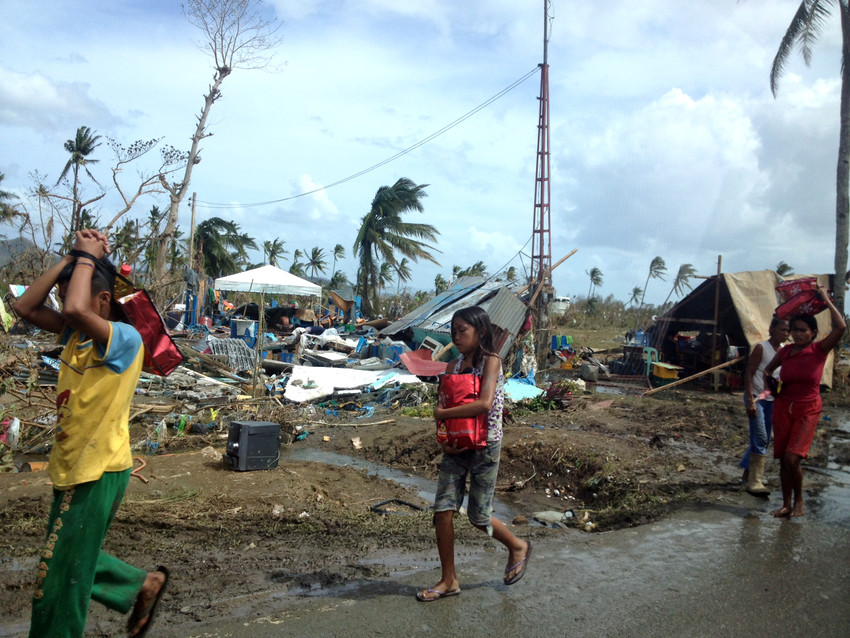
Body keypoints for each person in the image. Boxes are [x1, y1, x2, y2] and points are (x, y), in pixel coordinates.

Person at [13, 229, 168, 637]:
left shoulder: (125, 339)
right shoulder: (74, 334)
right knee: (66, 559)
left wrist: (87, 258)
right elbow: (24, 307)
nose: (66, 307)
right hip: (74, 465)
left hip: (97, 469)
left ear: (103, 301)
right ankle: (142, 584)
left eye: (72, 297)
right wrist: (72, 259)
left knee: (58, 580)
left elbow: (79, 309)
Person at [416, 306, 531, 602]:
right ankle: (449, 580)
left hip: (485, 446)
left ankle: (517, 545)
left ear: (480, 332)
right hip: (456, 446)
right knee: (442, 512)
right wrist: (443, 439)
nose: (456, 337)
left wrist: (442, 412)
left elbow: (484, 403)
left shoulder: (492, 362)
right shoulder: (452, 367)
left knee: (479, 518)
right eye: (454, 331)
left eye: (462, 331)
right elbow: (444, 411)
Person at [763, 287, 846, 518]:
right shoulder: (787, 351)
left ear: (813, 332)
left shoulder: (819, 350)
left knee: (792, 458)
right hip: (783, 407)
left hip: (808, 408)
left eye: (802, 330)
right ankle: (786, 504)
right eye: (794, 330)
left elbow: (841, 327)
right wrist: (772, 388)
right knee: (783, 460)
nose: (797, 334)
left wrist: (827, 300)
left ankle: (799, 500)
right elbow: (768, 370)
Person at [739, 317, 790, 495]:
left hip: (770, 398)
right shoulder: (762, 348)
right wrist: (751, 401)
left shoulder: (784, 351)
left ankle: (747, 475)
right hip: (756, 397)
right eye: (783, 330)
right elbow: (749, 374)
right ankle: (755, 481)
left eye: (787, 331)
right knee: (760, 437)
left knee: (764, 438)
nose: (786, 333)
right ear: (773, 329)